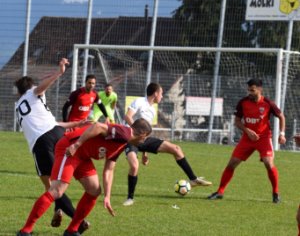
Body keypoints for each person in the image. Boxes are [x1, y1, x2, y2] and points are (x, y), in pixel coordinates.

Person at [17, 118, 152, 236]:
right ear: (142, 134)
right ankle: (25, 230)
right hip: (70, 148)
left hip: (83, 156)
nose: (144, 142)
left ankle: (72, 230)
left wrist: (107, 196)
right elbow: (98, 126)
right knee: (57, 190)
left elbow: (109, 170)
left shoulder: (123, 143)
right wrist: (76, 144)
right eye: (145, 138)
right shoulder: (125, 133)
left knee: (94, 190)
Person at [14, 58, 89, 233]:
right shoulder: (33, 98)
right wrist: (76, 125)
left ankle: (78, 220)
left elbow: (40, 88)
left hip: (42, 142)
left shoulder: (21, 102)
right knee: (57, 185)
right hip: (58, 134)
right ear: (30, 86)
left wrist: (59, 73)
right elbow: (54, 123)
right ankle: (59, 208)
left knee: (51, 187)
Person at [123, 82, 212, 207]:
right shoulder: (139, 102)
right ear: (155, 93)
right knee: (134, 166)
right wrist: (136, 132)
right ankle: (130, 198)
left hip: (142, 140)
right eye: (161, 93)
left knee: (176, 149)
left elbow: (146, 133)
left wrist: (145, 152)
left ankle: (193, 179)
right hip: (130, 138)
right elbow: (127, 116)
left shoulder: (152, 111)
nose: (162, 96)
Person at [207, 78, 286, 203]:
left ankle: (276, 193)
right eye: (248, 90)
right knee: (232, 163)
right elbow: (237, 121)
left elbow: (281, 116)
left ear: (260, 89)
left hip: (264, 138)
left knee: (268, 164)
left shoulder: (268, 103)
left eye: (252, 90)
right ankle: (220, 192)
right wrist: (247, 131)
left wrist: (282, 134)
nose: (249, 92)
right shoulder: (243, 102)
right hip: (247, 138)